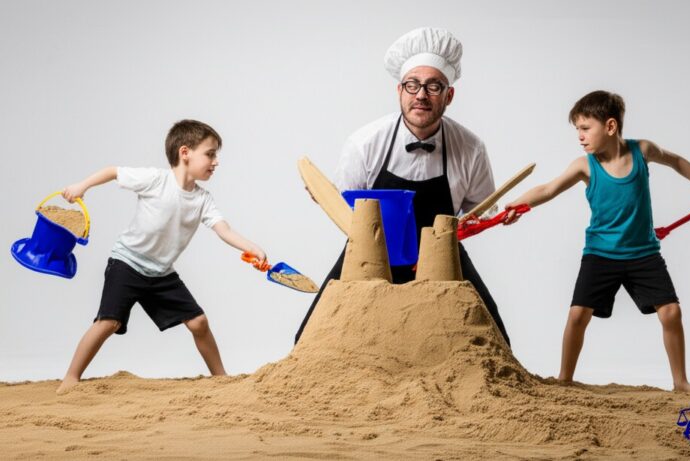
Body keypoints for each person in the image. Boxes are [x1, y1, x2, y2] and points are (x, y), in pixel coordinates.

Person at [296, 27, 511, 345]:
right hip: (373, 251)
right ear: (399, 90)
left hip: (441, 252)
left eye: (433, 86)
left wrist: (497, 216)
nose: (421, 95)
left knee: (495, 336)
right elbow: (345, 212)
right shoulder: (365, 142)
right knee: (310, 334)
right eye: (412, 85)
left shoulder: (471, 148)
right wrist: (325, 199)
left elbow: (479, 212)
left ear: (449, 95)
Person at [503, 90, 690, 394]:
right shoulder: (584, 166)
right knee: (578, 315)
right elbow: (548, 189)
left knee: (671, 312)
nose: (579, 136)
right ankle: (565, 379)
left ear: (610, 126)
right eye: (576, 129)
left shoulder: (642, 151)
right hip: (600, 254)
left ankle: (681, 382)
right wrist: (517, 205)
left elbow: (676, 161)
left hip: (643, 253)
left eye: (585, 128)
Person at [56, 120, 267, 394]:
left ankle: (221, 379)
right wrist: (81, 186)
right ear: (185, 152)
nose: (215, 162)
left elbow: (223, 229)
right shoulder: (156, 180)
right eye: (210, 154)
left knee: (199, 322)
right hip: (128, 263)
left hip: (160, 273)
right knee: (109, 321)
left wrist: (252, 247)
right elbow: (113, 171)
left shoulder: (203, 199)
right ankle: (71, 378)